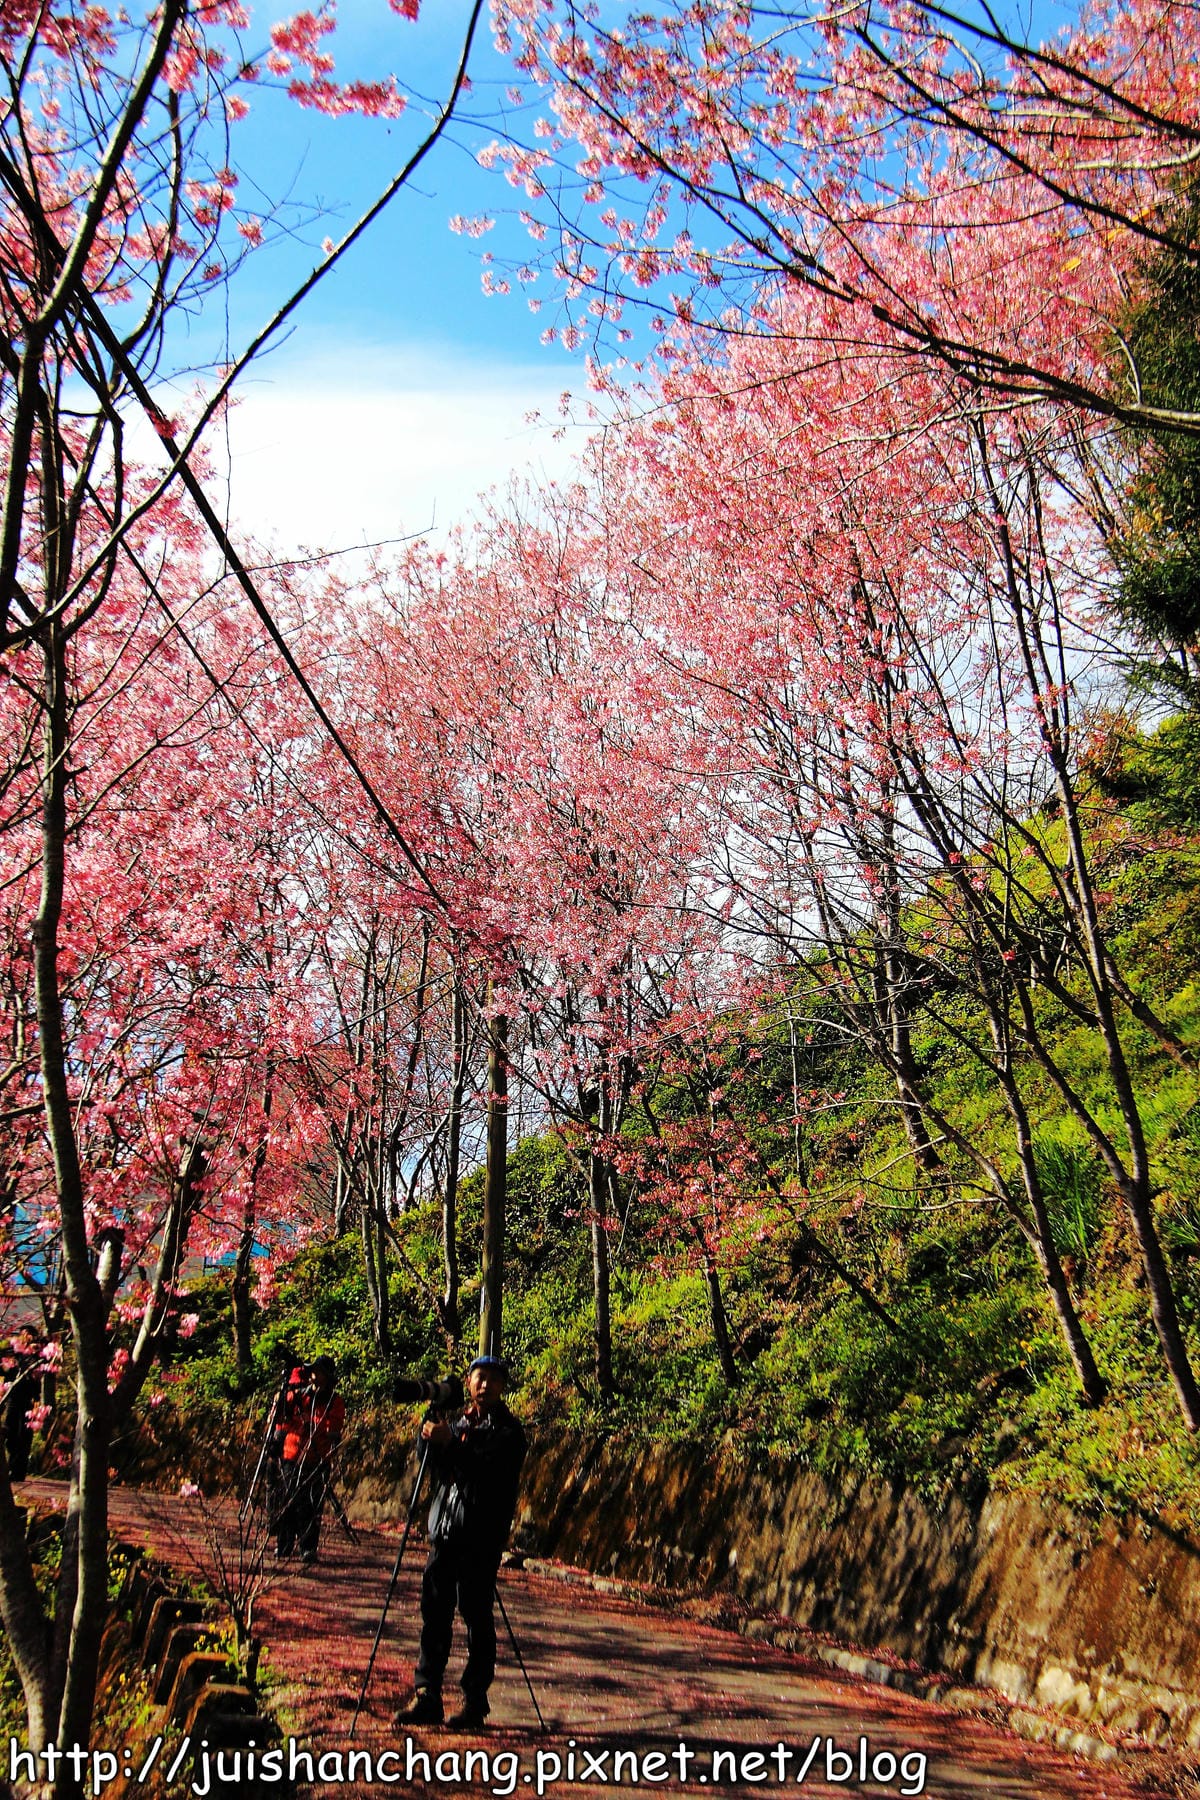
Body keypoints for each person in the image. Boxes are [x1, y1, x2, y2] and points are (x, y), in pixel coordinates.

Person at [400, 1355, 527, 1729]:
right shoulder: (459, 1423)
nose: (484, 1385)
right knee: (434, 1617)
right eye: (479, 1378)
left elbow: (485, 1472)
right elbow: (438, 1468)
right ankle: (427, 1695)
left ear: (503, 1386)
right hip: (445, 1533)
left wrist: (450, 1443)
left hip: (480, 1539)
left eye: (492, 1379)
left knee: (476, 1620)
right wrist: (428, 1434)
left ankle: (475, 1701)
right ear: (469, 1384)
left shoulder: (509, 1431)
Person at [273, 1354, 345, 1565]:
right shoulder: (300, 1395)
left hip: (317, 1458)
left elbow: (334, 1429)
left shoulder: (335, 1401)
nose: (314, 1377)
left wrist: (312, 1423)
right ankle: (284, 1545)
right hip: (292, 1454)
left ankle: (308, 1548)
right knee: (287, 1501)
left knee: (311, 1506)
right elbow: (282, 1415)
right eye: (312, 1372)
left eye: (319, 1372)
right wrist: (282, 1399)